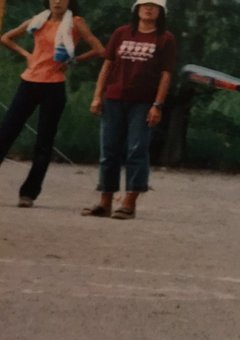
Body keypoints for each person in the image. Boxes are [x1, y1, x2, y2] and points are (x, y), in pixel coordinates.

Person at [0, 0, 104, 208]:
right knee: (6, 132)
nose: (57, 1)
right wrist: (26, 55)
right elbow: (6, 38)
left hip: (54, 85)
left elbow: (100, 50)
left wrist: (73, 61)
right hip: (29, 81)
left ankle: (29, 193)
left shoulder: (75, 22)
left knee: (44, 141)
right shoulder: (38, 20)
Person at [81, 0, 176, 220]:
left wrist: (157, 105)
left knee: (136, 150)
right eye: (145, 5)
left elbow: (166, 74)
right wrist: (97, 96)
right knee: (109, 151)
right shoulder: (121, 33)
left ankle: (129, 203)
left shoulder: (165, 39)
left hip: (143, 103)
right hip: (114, 99)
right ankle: (105, 201)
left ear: (161, 11)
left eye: (154, 6)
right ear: (137, 9)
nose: (149, 9)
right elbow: (107, 65)